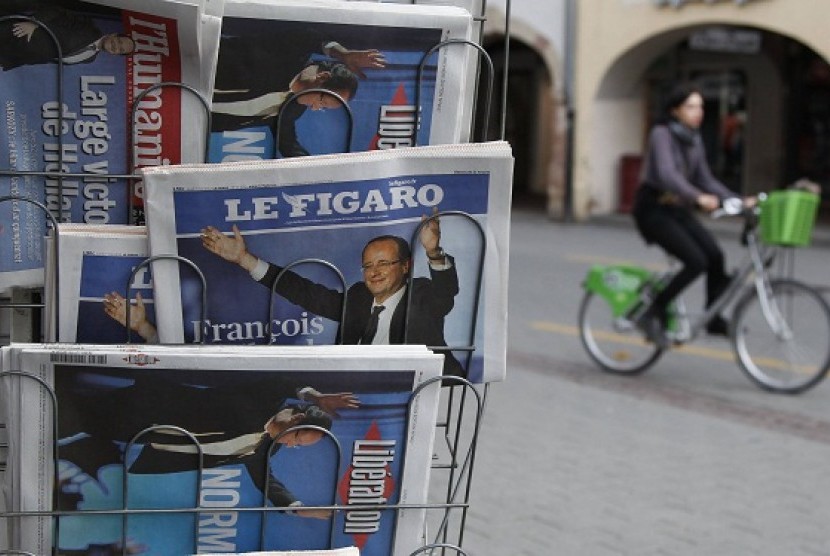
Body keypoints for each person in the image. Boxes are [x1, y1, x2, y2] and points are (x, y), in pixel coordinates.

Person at [57, 373, 358, 519]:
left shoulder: (268, 448)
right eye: (297, 439)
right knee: (69, 411)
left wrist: (298, 509)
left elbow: (267, 482)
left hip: (142, 442)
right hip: (142, 410)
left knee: (72, 438)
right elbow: (280, 379)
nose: (292, 447)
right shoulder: (266, 399)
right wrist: (315, 396)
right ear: (297, 418)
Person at [198, 213, 464, 376]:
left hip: (420, 390)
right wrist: (245, 260)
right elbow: (307, 294)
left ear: (405, 266)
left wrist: (433, 252)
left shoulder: (422, 294)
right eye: (368, 266)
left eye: (384, 263)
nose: (375, 272)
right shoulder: (359, 297)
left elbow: (445, 292)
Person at [632, 82, 753, 348]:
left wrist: (737, 200)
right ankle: (654, 310)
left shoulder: (694, 139)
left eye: (699, 107)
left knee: (715, 256)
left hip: (677, 208)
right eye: (690, 107)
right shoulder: (661, 134)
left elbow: (705, 178)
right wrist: (697, 197)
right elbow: (667, 174)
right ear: (675, 110)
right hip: (653, 209)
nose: (698, 112)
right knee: (695, 261)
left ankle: (713, 317)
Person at [211, 60, 360, 157]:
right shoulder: (287, 57)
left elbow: (288, 144)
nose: (314, 108)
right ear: (322, 77)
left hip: (193, 117)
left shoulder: (293, 110)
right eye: (321, 101)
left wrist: (314, 169)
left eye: (322, 107)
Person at [0, 5, 135, 71]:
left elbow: (50, 57)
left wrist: (11, 62)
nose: (116, 46)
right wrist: (34, 22)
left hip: (13, 56)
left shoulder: (90, 59)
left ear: (116, 54)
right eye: (118, 41)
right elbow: (57, 11)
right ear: (113, 34)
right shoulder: (89, 27)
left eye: (120, 49)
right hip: (14, 33)